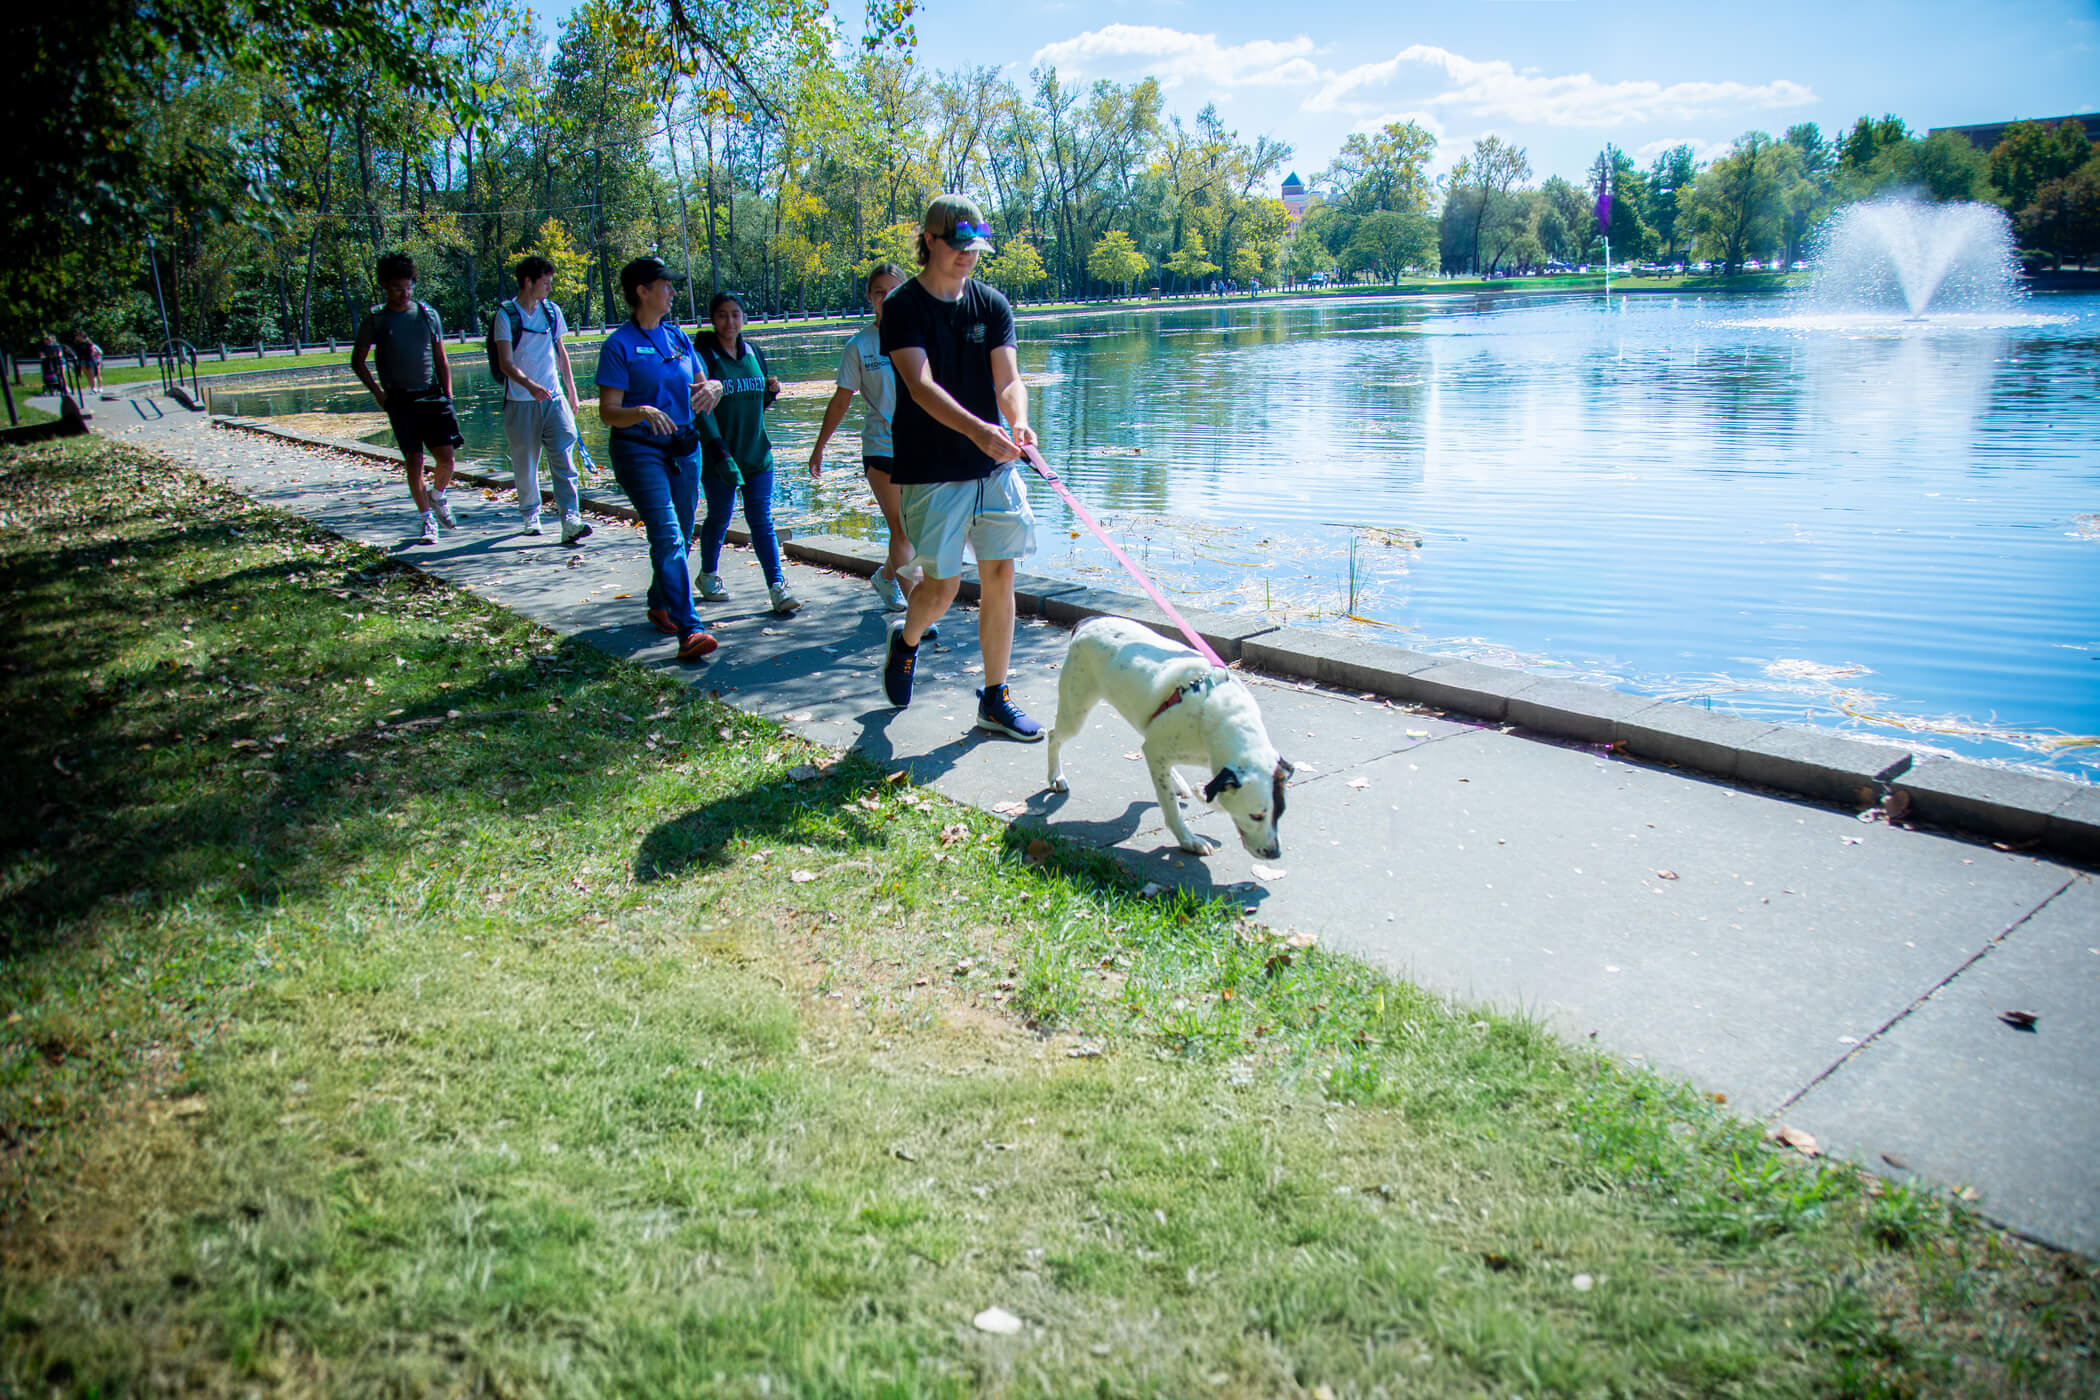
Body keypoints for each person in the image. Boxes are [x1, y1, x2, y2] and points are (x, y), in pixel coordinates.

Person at [878, 194, 1044, 742]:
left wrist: (1017, 421)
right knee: (942, 588)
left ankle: (994, 698)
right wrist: (979, 430)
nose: (968, 257)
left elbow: (1009, 380)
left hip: (994, 467)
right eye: (958, 246)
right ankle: (906, 641)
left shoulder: (992, 304)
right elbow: (920, 386)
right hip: (932, 469)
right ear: (929, 240)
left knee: (1000, 573)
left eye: (976, 248)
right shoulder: (903, 306)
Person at [594, 256, 725, 663]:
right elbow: (607, 411)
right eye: (664, 285)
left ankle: (659, 602)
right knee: (667, 535)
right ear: (642, 291)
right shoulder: (619, 345)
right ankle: (690, 628)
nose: (672, 291)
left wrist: (715, 388)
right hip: (639, 451)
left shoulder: (677, 337)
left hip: (685, 449)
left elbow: (704, 383)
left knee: (682, 536)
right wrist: (641, 411)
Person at [809, 262, 915, 613]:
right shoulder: (860, 346)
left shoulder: (922, 336)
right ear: (870, 297)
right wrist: (820, 447)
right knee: (900, 530)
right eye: (880, 292)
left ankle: (886, 576)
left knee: (918, 531)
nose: (887, 298)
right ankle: (919, 609)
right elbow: (841, 401)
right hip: (881, 447)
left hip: (923, 448)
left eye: (895, 291)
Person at [693, 290, 799, 615]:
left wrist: (771, 393)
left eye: (735, 314)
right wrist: (720, 454)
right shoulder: (703, 358)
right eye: (722, 314)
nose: (730, 321)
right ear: (713, 319)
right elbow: (700, 410)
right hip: (720, 456)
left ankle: (777, 587)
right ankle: (708, 574)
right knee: (720, 516)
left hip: (757, 455)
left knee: (761, 520)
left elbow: (757, 405)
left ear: (744, 318)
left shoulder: (754, 352)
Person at [350, 252, 463, 546]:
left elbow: (440, 357)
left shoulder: (427, 314)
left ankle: (437, 496)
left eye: (408, 286)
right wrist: (379, 394)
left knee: (447, 459)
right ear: (385, 286)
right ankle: (427, 520)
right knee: (414, 461)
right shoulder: (377, 319)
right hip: (400, 401)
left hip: (432, 397)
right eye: (397, 288)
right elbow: (358, 361)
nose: (404, 293)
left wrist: (448, 394)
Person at [490, 255, 591, 544]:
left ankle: (570, 518)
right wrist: (530, 386)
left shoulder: (551, 311)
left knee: (563, 456)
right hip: (521, 401)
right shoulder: (506, 315)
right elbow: (506, 362)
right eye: (545, 283)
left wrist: (572, 392)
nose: (549, 288)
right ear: (528, 282)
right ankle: (530, 514)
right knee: (525, 462)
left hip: (554, 398)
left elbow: (561, 352)